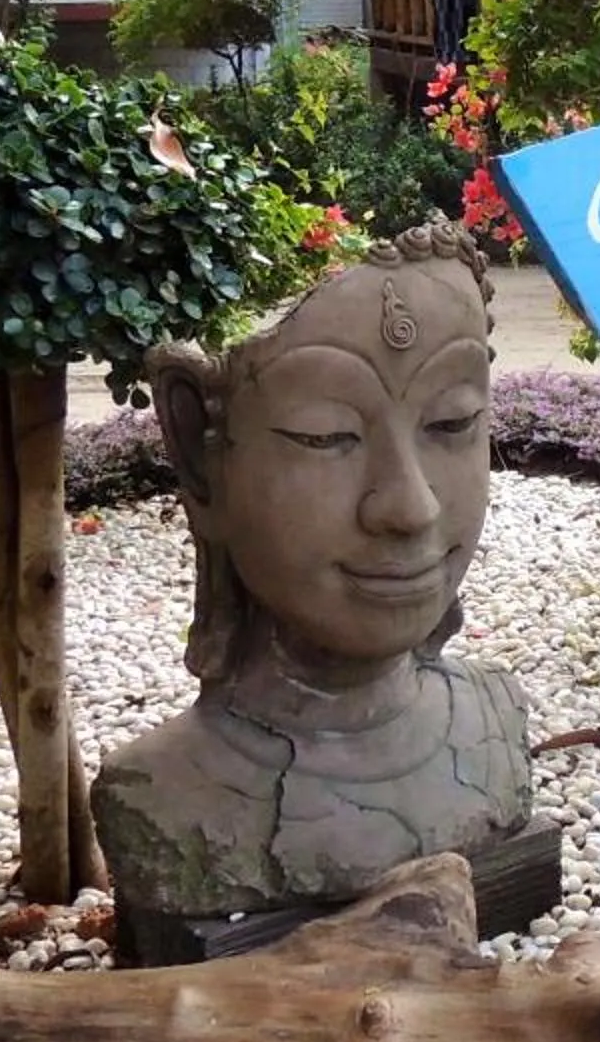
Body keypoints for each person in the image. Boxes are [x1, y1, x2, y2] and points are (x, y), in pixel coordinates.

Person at [91, 222, 533, 928]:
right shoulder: (162, 792)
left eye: (453, 423)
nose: (409, 506)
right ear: (202, 461)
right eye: (327, 437)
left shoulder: (496, 724)